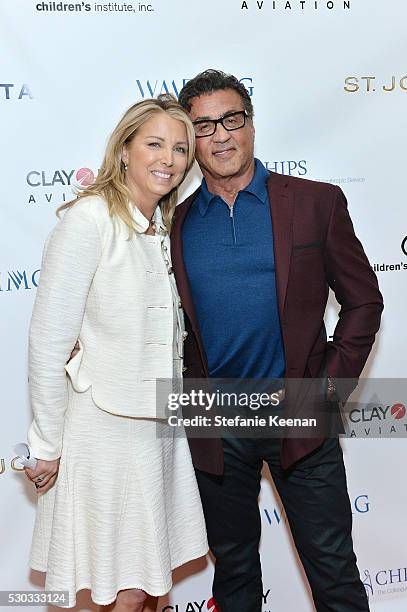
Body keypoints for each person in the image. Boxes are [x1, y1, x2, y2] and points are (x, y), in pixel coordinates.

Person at [170, 70, 384, 611]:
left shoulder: (315, 202)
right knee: (235, 577)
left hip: (300, 418)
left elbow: (364, 302)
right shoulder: (173, 221)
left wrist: (323, 393)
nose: (220, 136)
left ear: (251, 124)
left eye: (231, 120)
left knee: (334, 574)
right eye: (203, 126)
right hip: (216, 426)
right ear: (189, 138)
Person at [24, 94, 208, 611]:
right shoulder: (89, 220)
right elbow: (47, 341)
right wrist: (46, 443)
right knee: (117, 587)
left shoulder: (162, 229)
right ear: (124, 150)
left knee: (148, 582)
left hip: (157, 428)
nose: (167, 159)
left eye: (179, 148)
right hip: (104, 428)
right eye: (154, 144)